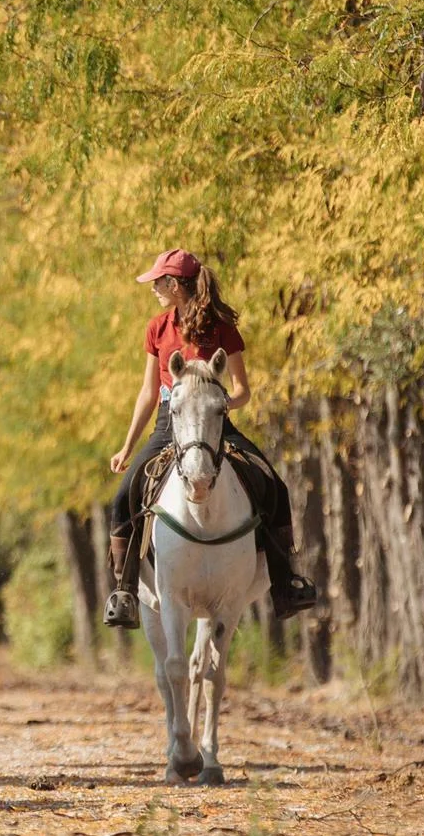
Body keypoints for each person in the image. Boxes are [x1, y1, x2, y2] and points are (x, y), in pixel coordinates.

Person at [102, 248, 318, 628]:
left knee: (275, 486)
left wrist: (217, 407)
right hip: (170, 422)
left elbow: (242, 389)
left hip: (215, 423)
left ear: (175, 284)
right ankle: (124, 591)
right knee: (123, 497)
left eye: (158, 282)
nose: (153, 288)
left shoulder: (221, 327)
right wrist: (127, 445)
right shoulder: (157, 328)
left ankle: (286, 583)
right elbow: (149, 394)